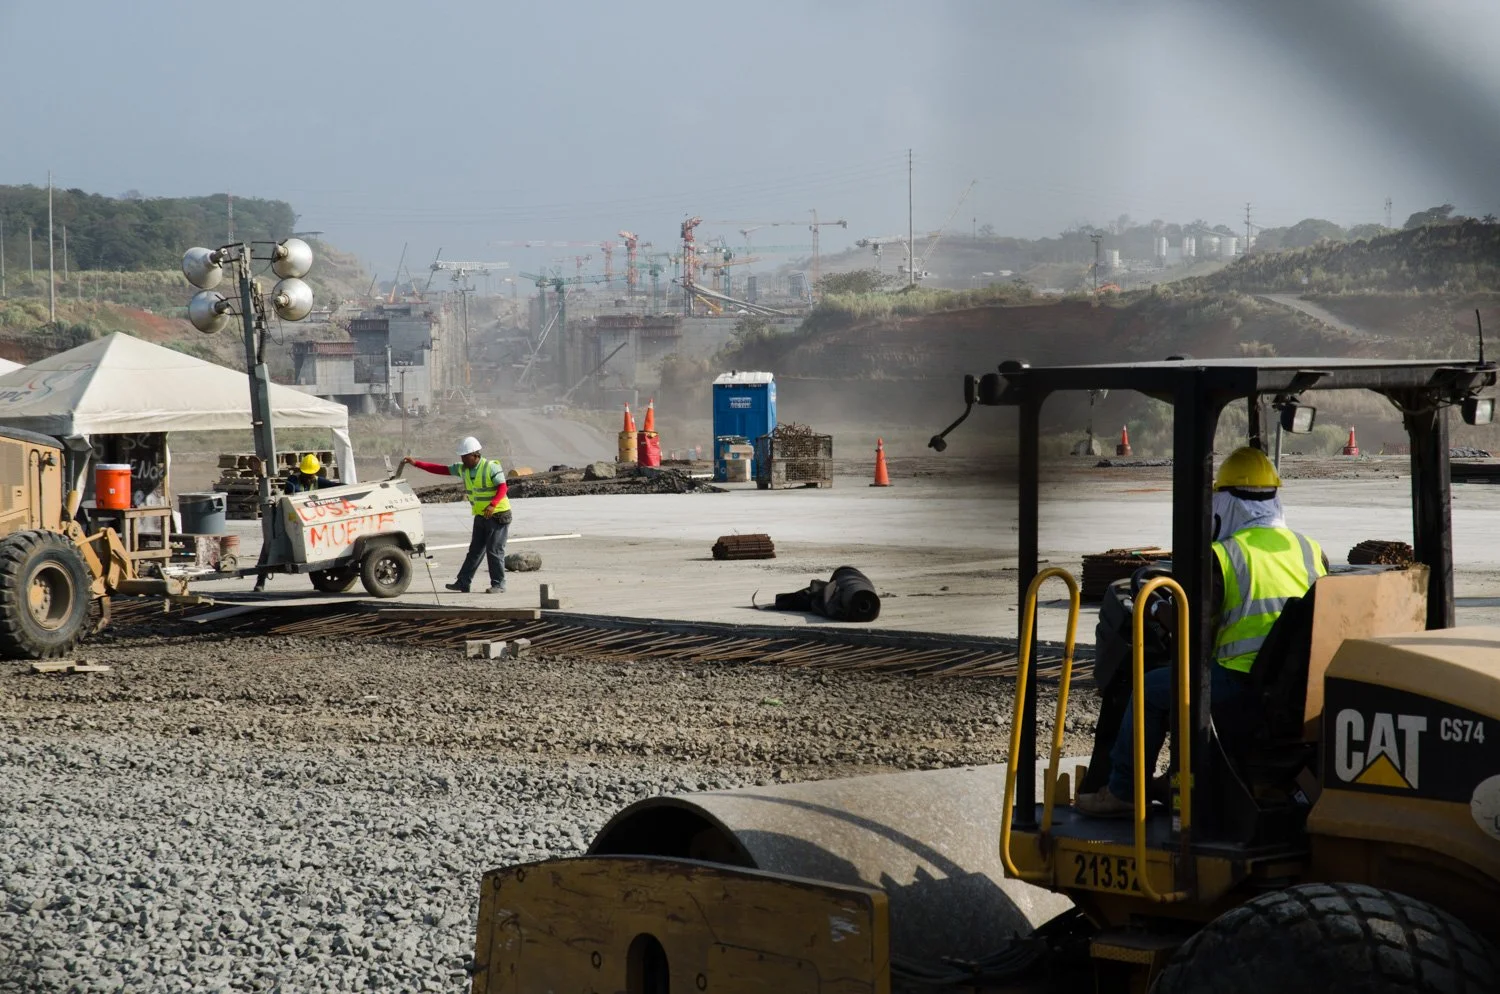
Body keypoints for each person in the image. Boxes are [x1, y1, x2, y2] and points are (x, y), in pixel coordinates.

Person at [1075, 446, 1327, 817]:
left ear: (1225, 503)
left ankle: (1124, 791)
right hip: (1295, 690)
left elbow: (1191, 626)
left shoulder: (1225, 556)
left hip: (1242, 685)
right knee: (1179, 683)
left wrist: (1159, 608)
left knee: (1150, 689)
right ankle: (1181, 780)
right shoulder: (1310, 550)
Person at [402, 436, 511, 594]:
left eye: (465, 456)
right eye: (462, 456)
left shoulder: (491, 467)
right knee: (474, 551)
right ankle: (463, 582)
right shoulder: (463, 469)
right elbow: (440, 469)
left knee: (494, 550)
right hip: (481, 515)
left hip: (498, 514)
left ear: (475, 454)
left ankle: (499, 584)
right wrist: (416, 463)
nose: (463, 459)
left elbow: (503, 487)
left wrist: (493, 505)